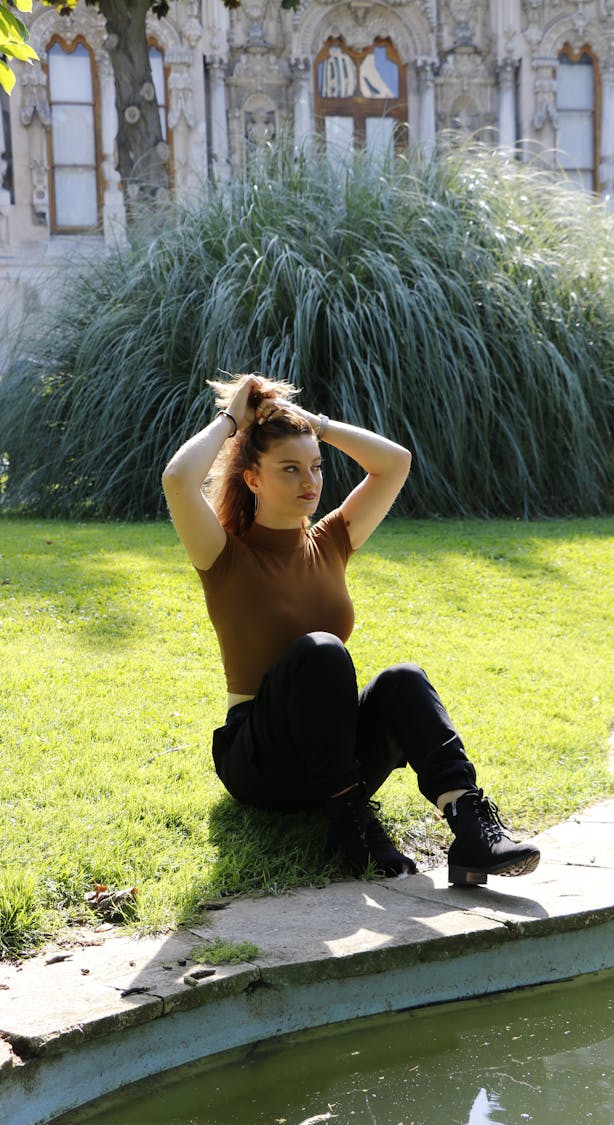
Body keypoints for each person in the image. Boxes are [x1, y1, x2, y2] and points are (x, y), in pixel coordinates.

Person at [162, 373, 540, 885]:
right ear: (253, 478)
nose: (309, 482)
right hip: (260, 761)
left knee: (403, 679)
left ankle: (470, 823)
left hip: (333, 751)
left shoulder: (331, 539)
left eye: (316, 467)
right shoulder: (224, 554)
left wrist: (314, 423)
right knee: (322, 651)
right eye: (290, 469)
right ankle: (351, 824)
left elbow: (395, 463)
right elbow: (178, 480)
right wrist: (233, 419)